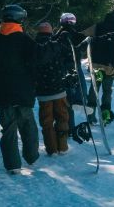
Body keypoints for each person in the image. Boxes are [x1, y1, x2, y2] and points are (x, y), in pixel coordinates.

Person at [0, 4, 39, 173]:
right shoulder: (24, 40)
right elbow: (36, 62)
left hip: (3, 94)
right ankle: (31, 157)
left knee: (8, 130)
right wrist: (32, 81)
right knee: (28, 126)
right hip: (23, 93)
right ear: (19, 18)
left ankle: (13, 166)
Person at [34, 22, 71, 155]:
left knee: (47, 121)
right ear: (50, 32)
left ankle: (51, 149)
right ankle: (63, 146)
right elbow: (68, 59)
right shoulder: (56, 45)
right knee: (62, 118)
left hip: (43, 93)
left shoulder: (34, 47)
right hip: (59, 89)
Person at [53, 13, 87, 138]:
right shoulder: (76, 34)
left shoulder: (57, 35)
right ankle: (79, 100)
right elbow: (81, 47)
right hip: (74, 66)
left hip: (62, 68)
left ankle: (69, 125)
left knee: (66, 96)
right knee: (80, 87)